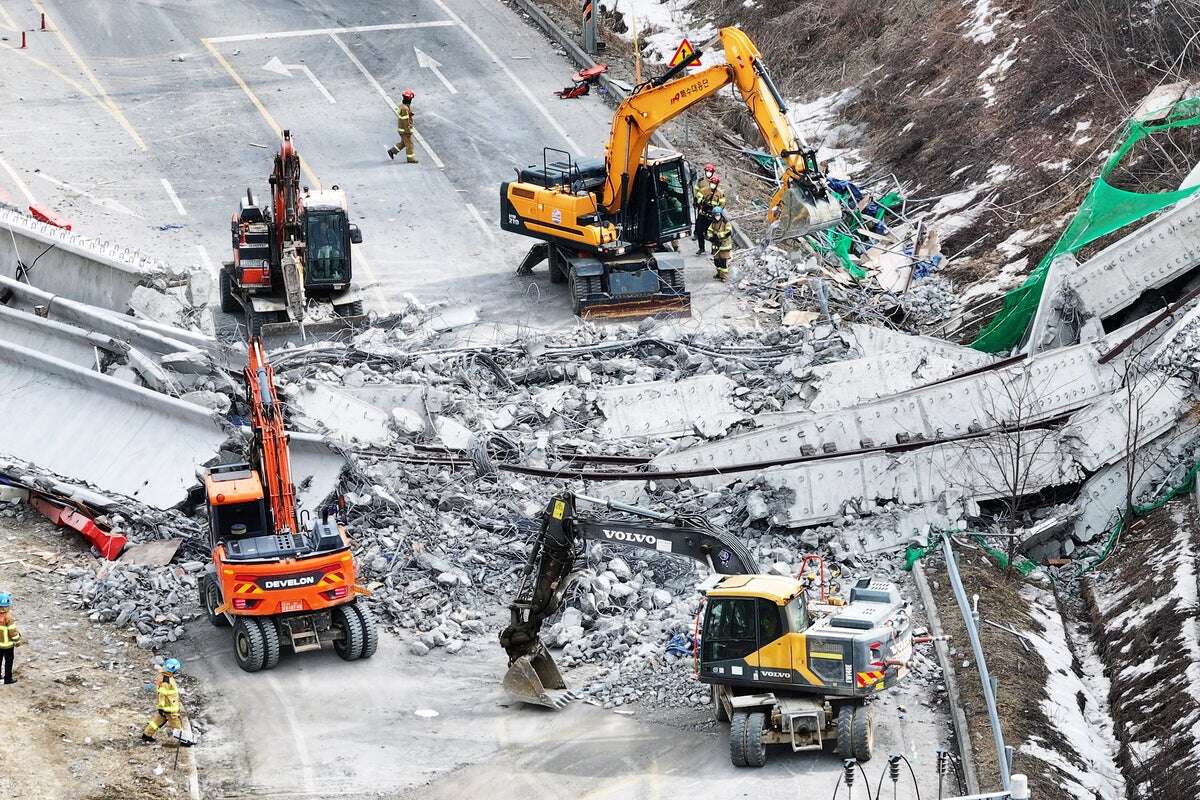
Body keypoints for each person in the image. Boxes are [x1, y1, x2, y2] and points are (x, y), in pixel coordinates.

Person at [142, 658, 190, 745]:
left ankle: (146, 734)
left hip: (166, 707)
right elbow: (162, 695)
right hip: (169, 708)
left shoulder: (165, 675)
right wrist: (162, 707)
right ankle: (183, 740)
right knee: (176, 725)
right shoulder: (166, 681)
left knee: (157, 721)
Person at [693, 174, 726, 255]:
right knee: (700, 232)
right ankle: (701, 248)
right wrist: (702, 202)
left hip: (712, 216)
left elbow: (722, 204)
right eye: (712, 183)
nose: (713, 185)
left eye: (714, 184)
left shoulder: (720, 193)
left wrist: (716, 210)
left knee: (713, 234)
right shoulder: (704, 190)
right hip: (703, 214)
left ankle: (713, 249)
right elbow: (698, 197)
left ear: (717, 184)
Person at [387, 90, 418, 163]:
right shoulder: (405, 108)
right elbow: (405, 122)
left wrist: (409, 114)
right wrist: (408, 131)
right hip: (405, 130)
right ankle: (411, 159)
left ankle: (392, 151)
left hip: (402, 130)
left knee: (404, 143)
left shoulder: (403, 106)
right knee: (409, 144)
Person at [708, 206, 733, 281]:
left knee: (723, 262)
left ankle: (724, 277)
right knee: (716, 261)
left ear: (721, 214)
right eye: (715, 215)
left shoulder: (726, 223)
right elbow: (709, 231)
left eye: (718, 215)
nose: (717, 217)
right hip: (716, 245)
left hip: (724, 246)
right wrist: (711, 237)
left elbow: (728, 232)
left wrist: (718, 236)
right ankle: (719, 273)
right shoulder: (713, 223)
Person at [0, 593, 21, 685]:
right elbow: (12, 632)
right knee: (9, 662)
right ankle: (7, 679)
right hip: (8, 645)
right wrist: (17, 641)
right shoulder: (9, 617)